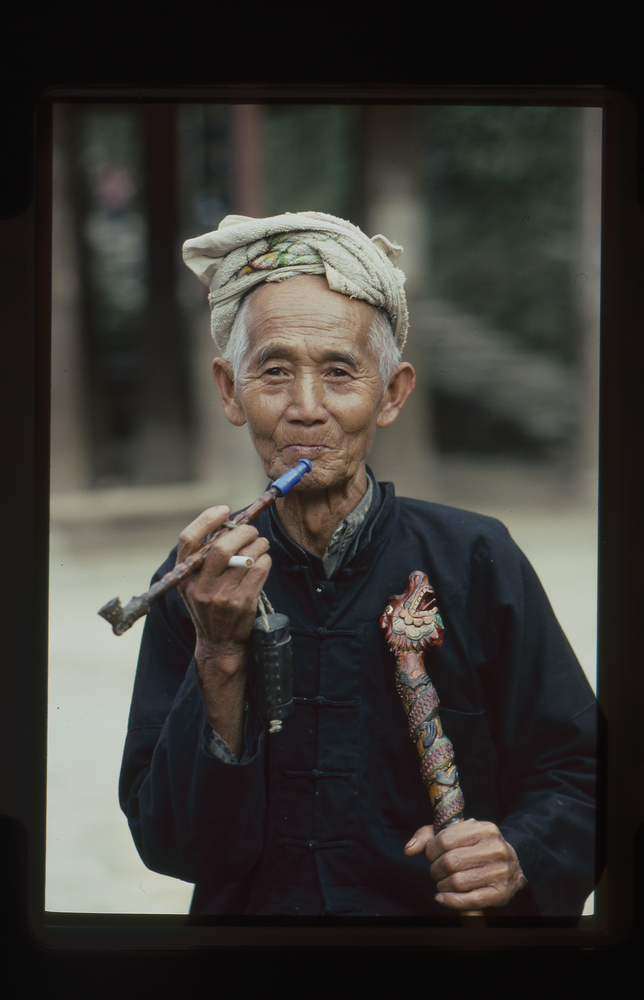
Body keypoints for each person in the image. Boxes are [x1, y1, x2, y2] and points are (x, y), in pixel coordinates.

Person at [119, 212, 598, 917]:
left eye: (340, 373)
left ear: (392, 394)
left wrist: (519, 850)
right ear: (229, 390)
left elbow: (582, 772)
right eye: (274, 372)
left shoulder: (476, 558)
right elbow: (174, 845)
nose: (305, 409)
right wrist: (219, 652)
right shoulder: (200, 576)